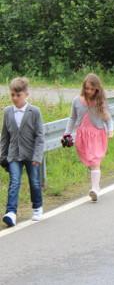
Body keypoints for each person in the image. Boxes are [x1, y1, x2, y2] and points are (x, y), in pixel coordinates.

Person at [63, 73, 114, 202]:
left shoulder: (100, 102)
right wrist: (67, 133)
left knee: (95, 160)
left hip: (97, 135)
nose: (89, 91)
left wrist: (111, 130)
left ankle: (95, 189)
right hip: (82, 136)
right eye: (87, 88)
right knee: (90, 162)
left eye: (92, 89)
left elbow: (108, 119)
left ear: (97, 89)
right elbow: (72, 118)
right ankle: (96, 183)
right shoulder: (77, 101)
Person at [1, 77, 45, 227]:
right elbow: (4, 137)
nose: (15, 98)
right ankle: (11, 212)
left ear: (26, 94)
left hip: (32, 155)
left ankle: (37, 207)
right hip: (14, 155)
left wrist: (37, 156)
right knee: (14, 182)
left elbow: (40, 136)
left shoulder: (35, 112)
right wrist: (2, 157)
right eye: (12, 95)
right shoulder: (7, 112)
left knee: (34, 182)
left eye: (18, 95)